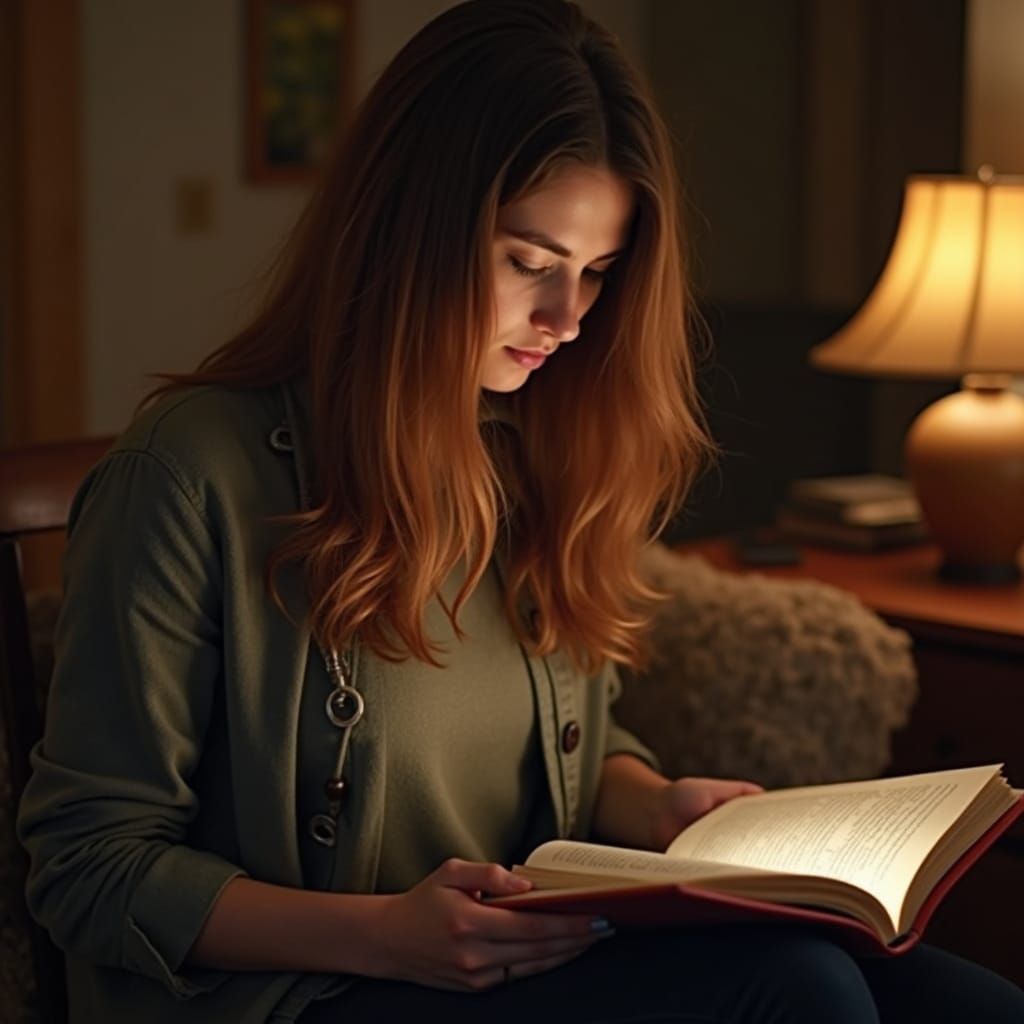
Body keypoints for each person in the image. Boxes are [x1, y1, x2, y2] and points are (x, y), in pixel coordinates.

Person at [16, 2, 1024, 1021]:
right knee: (793, 992)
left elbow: (570, 746)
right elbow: (87, 864)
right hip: (308, 988)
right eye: (527, 262)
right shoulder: (191, 473)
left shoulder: (527, 444)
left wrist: (652, 803)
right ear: (406, 230)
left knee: (968, 1005)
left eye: (596, 273)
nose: (568, 320)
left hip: (522, 954)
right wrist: (385, 935)